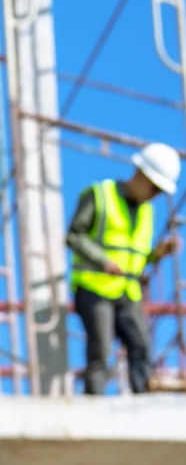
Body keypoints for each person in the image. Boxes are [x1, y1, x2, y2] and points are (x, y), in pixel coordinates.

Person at [68, 142, 182, 394]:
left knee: (140, 346)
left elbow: (135, 258)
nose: (155, 194)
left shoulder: (147, 211)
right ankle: (94, 403)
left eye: (160, 191)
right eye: (154, 187)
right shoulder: (100, 195)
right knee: (101, 349)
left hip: (128, 291)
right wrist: (102, 261)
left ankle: (143, 402)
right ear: (140, 174)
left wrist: (157, 254)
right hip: (94, 287)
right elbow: (74, 236)